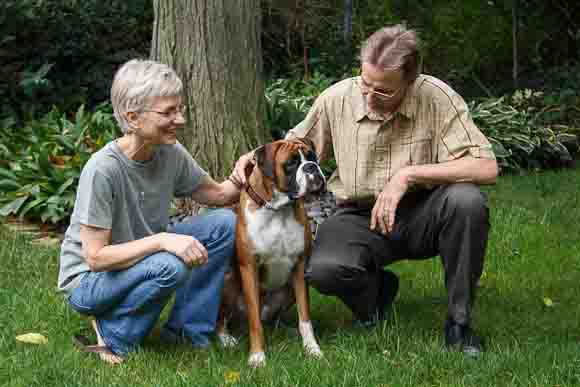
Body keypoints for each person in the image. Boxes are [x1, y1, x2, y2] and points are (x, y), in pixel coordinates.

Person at [232, 24, 498, 355]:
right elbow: (293, 147)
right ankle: (376, 294)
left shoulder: (437, 97)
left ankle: (459, 325)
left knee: (467, 201)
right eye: (365, 84)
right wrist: (250, 159)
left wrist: (407, 176)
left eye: (384, 91)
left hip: (425, 209)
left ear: (410, 81)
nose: (370, 97)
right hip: (357, 214)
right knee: (323, 270)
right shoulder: (336, 98)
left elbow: (486, 167)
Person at [58, 59, 244, 364]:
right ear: (133, 118)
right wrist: (162, 241)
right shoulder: (103, 169)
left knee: (223, 224)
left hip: (143, 259)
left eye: (180, 109)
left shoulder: (169, 152)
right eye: (168, 112)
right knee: (170, 265)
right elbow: (95, 257)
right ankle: (114, 335)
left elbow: (219, 195)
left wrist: (242, 172)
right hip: (89, 281)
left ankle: (186, 329)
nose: (180, 119)